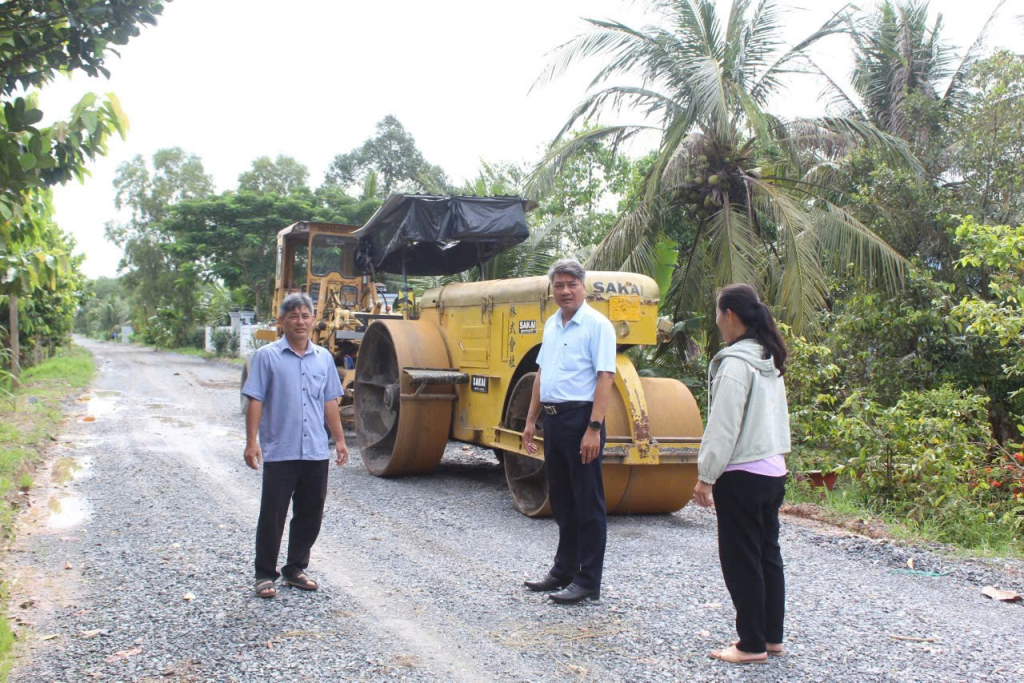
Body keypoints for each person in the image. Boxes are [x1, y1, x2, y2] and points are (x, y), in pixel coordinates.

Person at [692, 283, 791, 664]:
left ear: (730, 315)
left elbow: (723, 425)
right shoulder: (769, 358)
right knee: (767, 553)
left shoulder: (735, 363)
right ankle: (770, 637)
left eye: (718, 313)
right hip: (772, 469)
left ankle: (749, 644)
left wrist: (706, 475)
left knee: (740, 558)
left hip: (742, 472)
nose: (716, 321)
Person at [242, 293, 350, 599]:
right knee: (273, 514)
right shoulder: (266, 357)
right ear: (281, 322)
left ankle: (295, 569)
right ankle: (264, 574)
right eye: (293, 316)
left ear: (313, 320)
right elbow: (256, 400)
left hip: (315, 450)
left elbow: (330, 401)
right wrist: (252, 443)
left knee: (311, 513)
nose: (300, 322)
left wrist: (339, 440)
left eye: (305, 316)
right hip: (280, 450)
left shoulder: (324, 358)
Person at [522, 259, 617, 604]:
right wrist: (531, 420)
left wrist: (594, 428)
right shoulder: (551, 325)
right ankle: (563, 571)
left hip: (582, 422)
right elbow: (542, 375)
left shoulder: (597, 325)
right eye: (559, 285)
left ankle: (588, 580)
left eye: (571, 284)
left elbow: (605, 377)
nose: (565, 290)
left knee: (587, 502)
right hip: (554, 420)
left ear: (583, 286)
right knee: (562, 500)